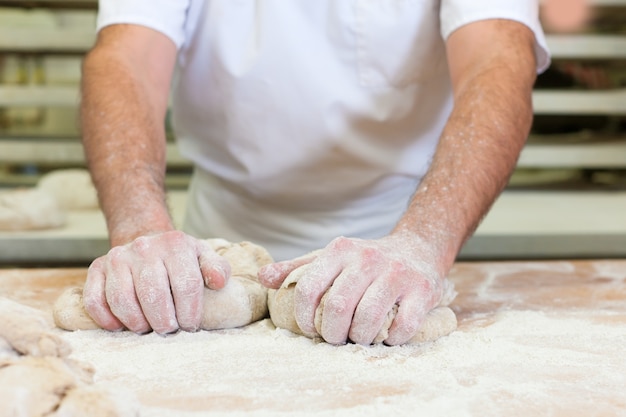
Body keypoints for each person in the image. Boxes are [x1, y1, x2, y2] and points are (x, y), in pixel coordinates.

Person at [80, 1, 550, 346]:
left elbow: (498, 61)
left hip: (400, 250)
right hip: (212, 263)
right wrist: (140, 228)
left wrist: (423, 244)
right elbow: (127, 59)